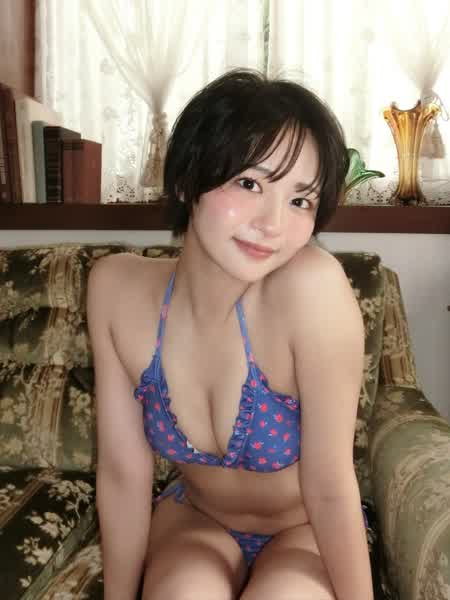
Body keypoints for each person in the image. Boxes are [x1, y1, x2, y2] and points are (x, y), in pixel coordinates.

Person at [87, 68, 374, 600]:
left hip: (305, 530)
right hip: (196, 522)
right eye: (249, 183)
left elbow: (331, 486)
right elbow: (124, 474)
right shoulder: (115, 290)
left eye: (300, 200)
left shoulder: (312, 290)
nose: (273, 224)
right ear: (185, 179)